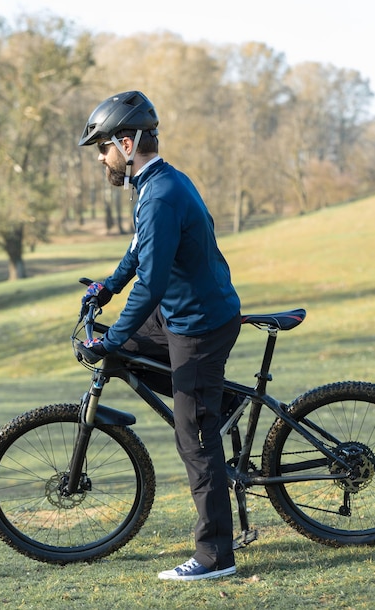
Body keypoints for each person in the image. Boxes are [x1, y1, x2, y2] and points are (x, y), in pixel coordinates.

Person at [78, 90, 241, 582]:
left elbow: (149, 282)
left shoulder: (162, 194)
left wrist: (109, 337)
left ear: (126, 144)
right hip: (178, 314)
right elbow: (137, 255)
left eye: (103, 147)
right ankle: (219, 402)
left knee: (194, 438)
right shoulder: (153, 186)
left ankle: (215, 558)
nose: (101, 158)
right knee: (121, 347)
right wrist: (106, 288)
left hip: (200, 325)